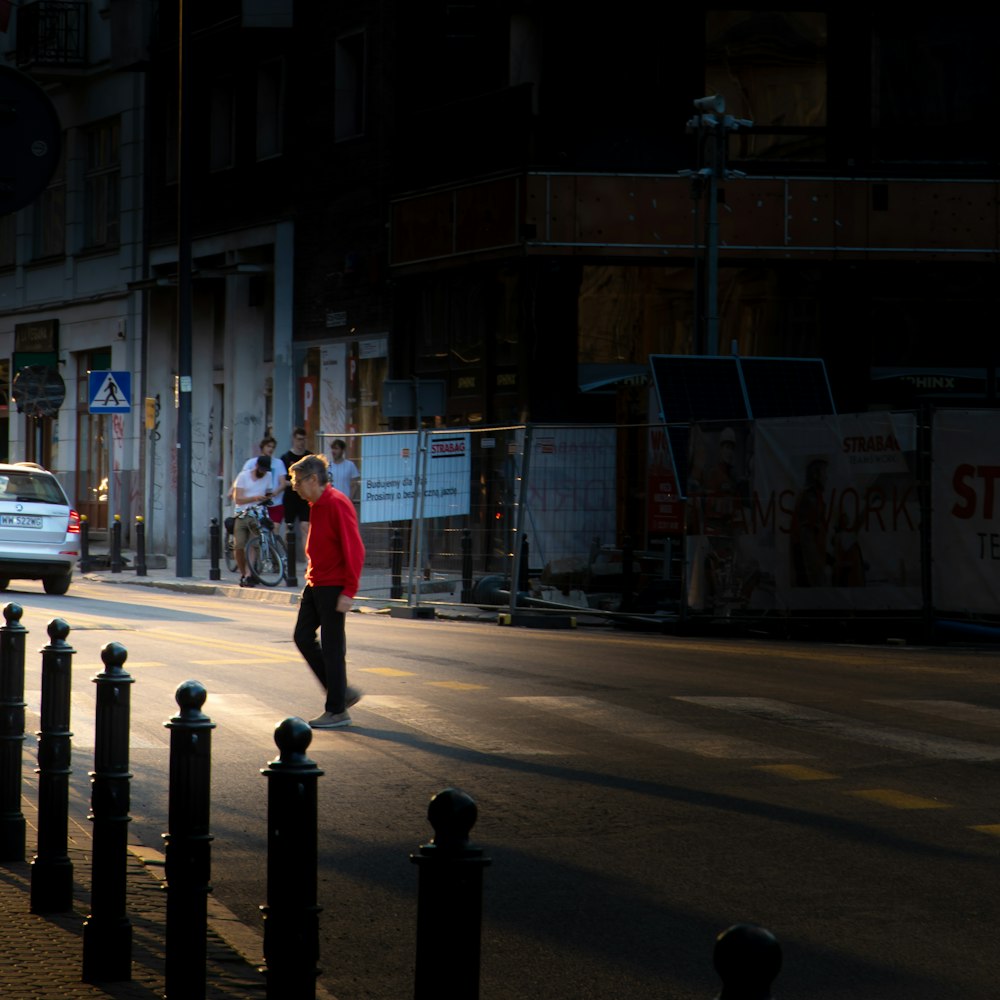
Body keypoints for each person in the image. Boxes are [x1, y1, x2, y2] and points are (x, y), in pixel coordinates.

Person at [289, 453, 366, 729]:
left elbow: (355, 549)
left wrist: (349, 591)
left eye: (297, 481)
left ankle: (337, 709)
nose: (294, 486)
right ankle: (341, 693)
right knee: (302, 637)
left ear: (313, 479)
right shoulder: (316, 504)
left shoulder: (336, 503)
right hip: (316, 582)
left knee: (333, 648)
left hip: (333, 585)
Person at [231, 454, 274, 588]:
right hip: (242, 514)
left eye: (265, 470)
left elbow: (268, 493)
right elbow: (238, 499)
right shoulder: (243, 476)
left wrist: (267, 498)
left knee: (253, 544)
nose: (263, 473)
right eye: (261, 469)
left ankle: (249, 575)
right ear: (256, 466)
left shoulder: (268, 476)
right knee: (239, 546)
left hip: (257, 514)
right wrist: (255, 498)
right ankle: (243, 573)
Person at [281, 427, 310, 565]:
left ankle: (307, 560)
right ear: (293, 439)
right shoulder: (286, 458)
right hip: (290, 498)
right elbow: (282, 481)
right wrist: (294, 483)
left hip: (305, 498)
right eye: (299, 439)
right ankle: (289, 558)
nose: (301, 442)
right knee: (289, 528)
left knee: (305, 527)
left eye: (303, 439)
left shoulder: (309, 457)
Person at [242, 436, 288, 524]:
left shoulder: (278, 463)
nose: (270, 449)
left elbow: (283, 483)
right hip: (257, 504)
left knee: (275, 528)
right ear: (262, 447)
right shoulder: (252, 462)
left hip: (275, 503)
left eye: (272, 447)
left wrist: (275, 492)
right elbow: (244, 478)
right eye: (268, 446)